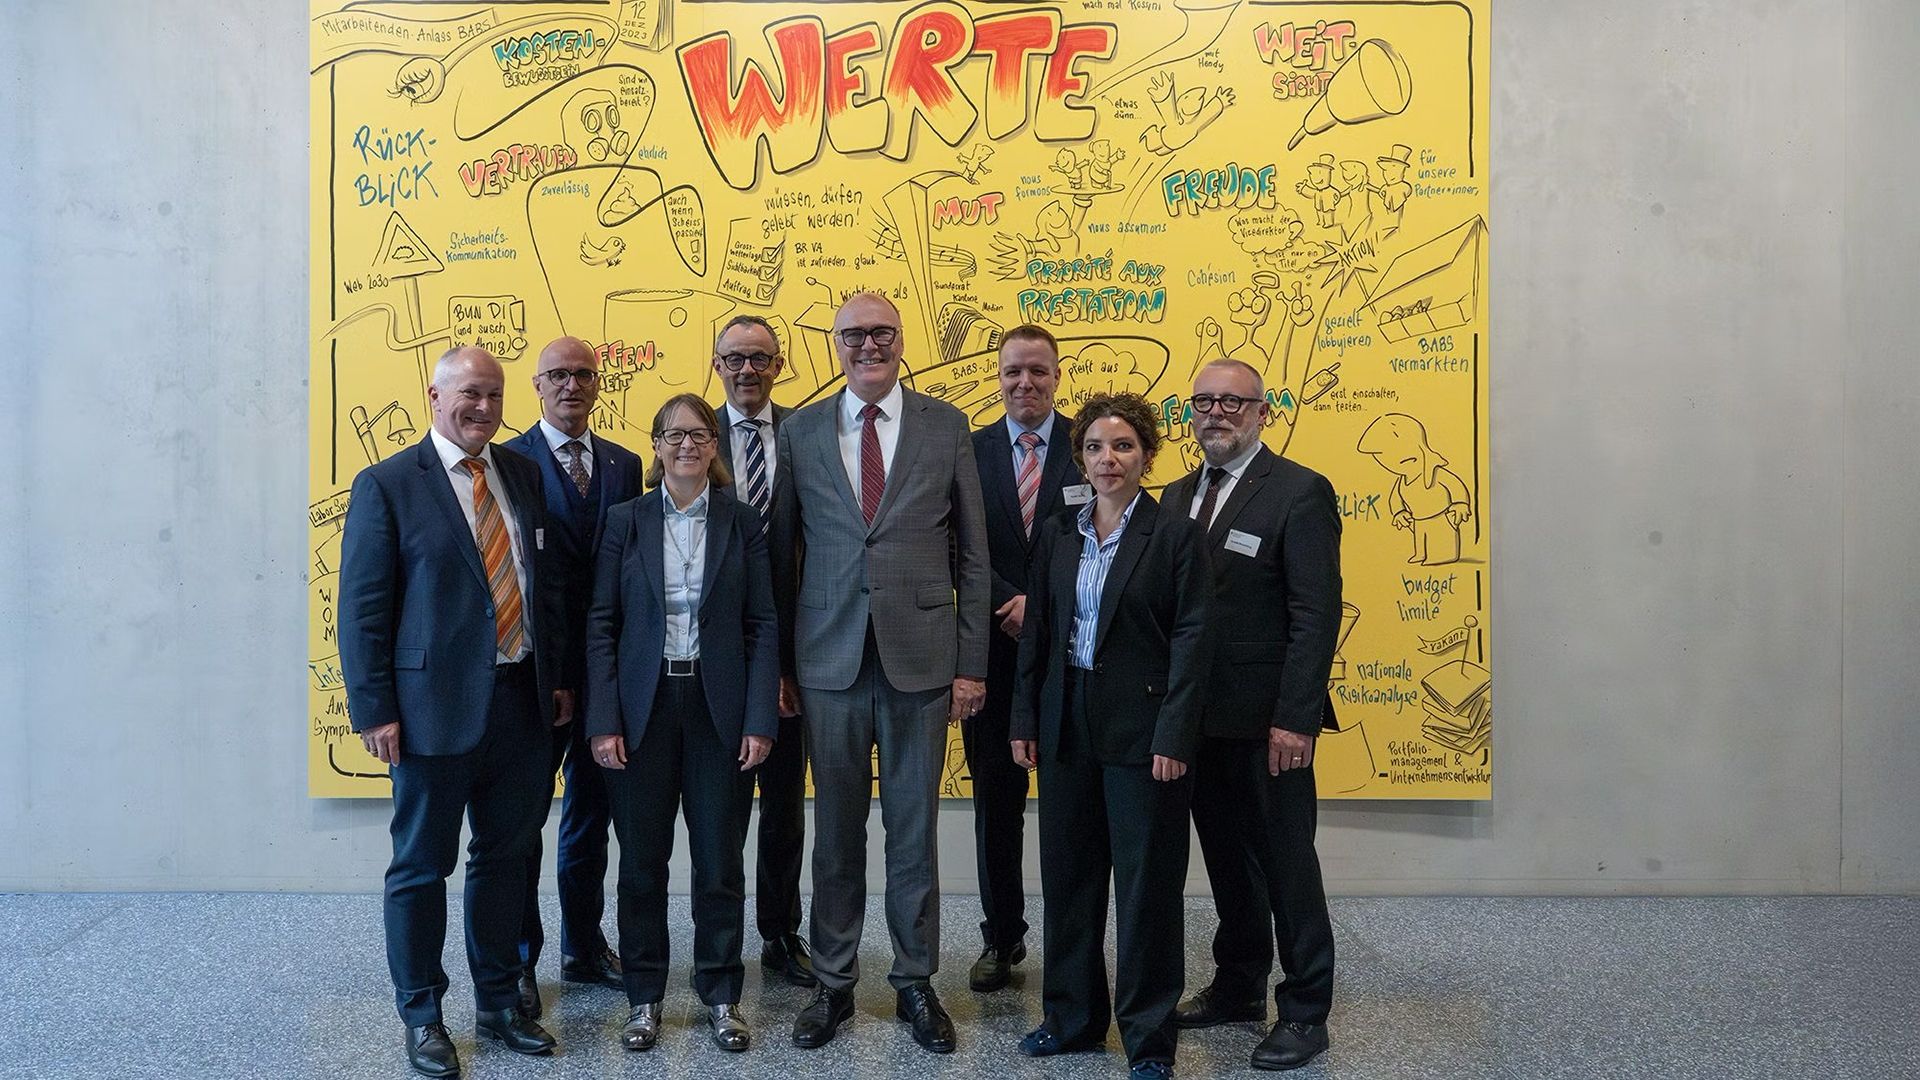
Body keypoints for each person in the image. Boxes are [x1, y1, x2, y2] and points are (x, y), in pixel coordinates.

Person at [340, 346, 571, 1077]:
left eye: (494, 394)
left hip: (522, 705)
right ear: (435, 396)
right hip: (428, 713)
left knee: (506, 860)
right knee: (421, 867)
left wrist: (558, 679)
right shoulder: (387, 484)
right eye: (470, 393)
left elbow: (541, 586)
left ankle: (499, 1004)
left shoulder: (522, 474)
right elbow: (362, 609)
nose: (483, 407)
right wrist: (375, 709)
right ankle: (423, 1016)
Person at [771, 291, 990, 1053]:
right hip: (827, 660)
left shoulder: (946, 425)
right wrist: (781, 666)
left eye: (883, 333)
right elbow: (783, 555)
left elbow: (974, 555)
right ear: (835, 344)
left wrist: (971, 665)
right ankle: (833, 983)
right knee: (834, 834)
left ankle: (914, 981)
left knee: (912, 833)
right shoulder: (799, 430)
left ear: (902, 340)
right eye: (855, 334)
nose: (869, 345)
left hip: (922, 662)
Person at [1010, 392, 1213, 1080]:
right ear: (1081, 458)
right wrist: (1025, 720)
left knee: (1146, 889)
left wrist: (1175, 735)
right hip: (1067, 722)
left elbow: (1193, 641)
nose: (1108, 459)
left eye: (1123, 446)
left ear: (1148, 456)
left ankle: (1149, 1040)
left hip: (1145, 732)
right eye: (1095, 447)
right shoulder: (1058, 533)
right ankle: (1071, 1019)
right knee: (1069, 880)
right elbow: (1038, 634)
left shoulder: (1176, 535)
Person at [584, 393, 779, 1053]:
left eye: (699, 434)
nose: (687, 445)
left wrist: (760, 718)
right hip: (642, 710)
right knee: (642, 863)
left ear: (715, 445)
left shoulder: (741, 521)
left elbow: (762, 623)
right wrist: (604, 719)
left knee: (719, 862)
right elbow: (602, 623)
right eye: (674, 435)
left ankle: (721, 995)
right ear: (657, 446)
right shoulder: (626, 520)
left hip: (719, 710)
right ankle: (644, 998)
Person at [1165, 359, 1342, 1072]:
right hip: (1198, 719)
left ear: (1262, 412)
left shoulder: (1299, 491)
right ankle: (1239, 986)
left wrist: (1296, 719)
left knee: (1287, 866)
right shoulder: (1177, 494)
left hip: (1271, 723)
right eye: (1204, 401)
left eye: (1232, 402)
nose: (1216, 413)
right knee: (1227, 862)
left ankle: (1305, 1009)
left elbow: (1315, 614)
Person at [503, 336, 644, 1014]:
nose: (571, 385)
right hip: (537, 675)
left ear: (597, 383)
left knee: (592, 818)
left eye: (584, 374)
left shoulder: (624, 464)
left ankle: (584, 947)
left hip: (605, 674)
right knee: (523, 822)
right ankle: (520, 960)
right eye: (558, 374)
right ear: (537, 385)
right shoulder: (509, 462)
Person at [964, 324, 1083, 992]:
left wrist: (1041, 609)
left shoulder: (1090, 445)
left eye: (1038, 370)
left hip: (1070, 653)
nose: (1025, 383)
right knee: (996, 805)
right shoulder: (969, 450)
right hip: (994, 653)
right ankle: (1001, 938)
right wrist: (1005, 602)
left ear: (1057, 376)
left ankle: (1071, 943)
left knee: (1069, 809)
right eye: (1013, 371)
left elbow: (1106, 538)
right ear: (999, 376)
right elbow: (953, 543)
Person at [708, 315, 814, 987]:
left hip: (800, 650)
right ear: (717, 365)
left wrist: (786, 665)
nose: (747, 369)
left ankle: (779, 934)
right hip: (717, 655)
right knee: (720, 809)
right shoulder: (691, 436)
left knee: (783, 807)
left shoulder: (809, 434)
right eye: (735, 358)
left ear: (779, 365)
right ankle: (717, 946)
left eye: (760, 358)